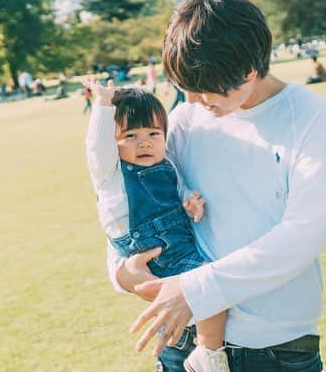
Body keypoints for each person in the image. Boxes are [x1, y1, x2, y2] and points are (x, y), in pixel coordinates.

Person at [109, 0, 326, 371]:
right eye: (186, 86)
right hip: (184, 343)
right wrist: (121, 271)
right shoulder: (185, 121)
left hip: (277, 347)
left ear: (249, 71)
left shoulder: (312, 117)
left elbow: (303, 235)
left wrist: (196, 290)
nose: (194, 99)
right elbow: (134, 201)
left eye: (204, 87)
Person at [83, 80, 229, 372]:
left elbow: (179, 190)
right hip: (146, 248)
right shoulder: (110, 173)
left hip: (178, 243)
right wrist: (102, 104)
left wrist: (190, 203)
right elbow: (96, 147)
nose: (144, 142)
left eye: (153, 133)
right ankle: (209, 354)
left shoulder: (167, 165)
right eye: (130, 136)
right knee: (207, 290)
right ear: (113, 142)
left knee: (201, 295)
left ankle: (197, 349)